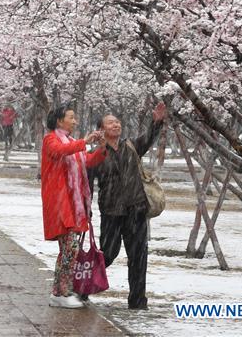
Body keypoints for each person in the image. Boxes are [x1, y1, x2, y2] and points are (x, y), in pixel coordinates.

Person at [88, 102, 167, 310]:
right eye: (110, 123)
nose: (116, 125)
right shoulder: (97, 155)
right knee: (107, 254)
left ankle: (138, 301)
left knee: (139, 257)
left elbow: (149, 138)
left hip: (135, 210)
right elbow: (87, 184)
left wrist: (156, 122)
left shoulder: (131, 146)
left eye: (117, 122)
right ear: (101, 129)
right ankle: (83, 288)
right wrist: (86, 208)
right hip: (111, 212)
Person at [41, 103, 106, 309]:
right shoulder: (50, 139)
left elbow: (86, 160)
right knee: (70, 248)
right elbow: (61, 151)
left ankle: (59, 292)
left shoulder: (70, 141)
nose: (75, 121)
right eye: (71, 117)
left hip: (72, 203)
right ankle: (61, 292)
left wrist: (101, 148)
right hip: (59, 202)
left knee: (68, 249)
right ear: (60, 120)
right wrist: (84, 141)